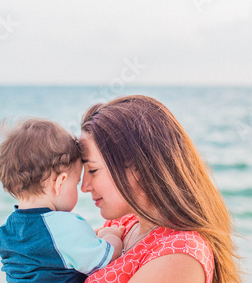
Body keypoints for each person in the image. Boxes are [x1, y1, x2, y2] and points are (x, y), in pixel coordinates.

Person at [79, 95, 241, 283]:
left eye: (92, 170)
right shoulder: (125, 225)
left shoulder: (179, 255)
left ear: (137, 166)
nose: (84, 186)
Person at [0, 118, 125, 283]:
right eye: (76, 182)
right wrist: (112, 236)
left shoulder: (6, 231)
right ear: (60, 182)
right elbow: (104, 257)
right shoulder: (64, 225)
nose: (82, 188)